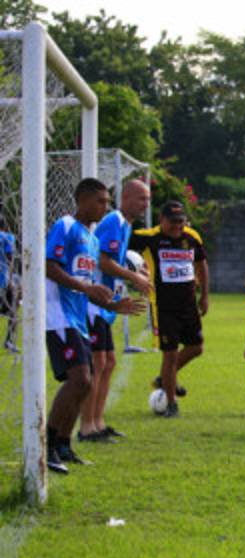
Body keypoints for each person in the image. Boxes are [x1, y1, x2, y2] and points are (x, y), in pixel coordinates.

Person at [44, 179, 144, 473]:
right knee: (80, 379)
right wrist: (85, 288)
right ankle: (46, 445)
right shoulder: (65, 226)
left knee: (86, 382)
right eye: (100, 201)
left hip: (78, 318)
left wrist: (113, 305)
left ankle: (63, 445)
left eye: (107, 202)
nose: (105, 207)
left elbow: (86, 284)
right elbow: (49, 266)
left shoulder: (92, 240)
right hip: (59, 315)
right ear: (83, 200)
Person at [77, 179, 152, 443]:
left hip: (105, 304)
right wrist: (134, 277)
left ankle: (98, 423)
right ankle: (86, 427)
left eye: (148, 199)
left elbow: (114, 260)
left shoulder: (124, 225)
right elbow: (102, 261)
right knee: (98, 364)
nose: (146, 204)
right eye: (142, 199)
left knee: (108, 363)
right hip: (93, 304)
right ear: (127, 197)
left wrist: (135, 270)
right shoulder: (114, 221)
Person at [129, 201, 209, 418]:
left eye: (181, 221)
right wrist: (135, 272)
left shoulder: (191, 237)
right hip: (164, 307)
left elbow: (202, 264)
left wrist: (204, 296)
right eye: (173, 222)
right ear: (161, 220)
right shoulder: (148, 237)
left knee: (196, 347)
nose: (177, 226)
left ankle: (164, 379)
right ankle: (171, 404)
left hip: (189, 305)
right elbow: (118, 243)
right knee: (170, 355)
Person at [0, 228, 18, 352]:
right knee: (13, 311)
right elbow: (9, 258)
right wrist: (10, 280)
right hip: (3, 280)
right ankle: (9, 341)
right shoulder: (8, 237)